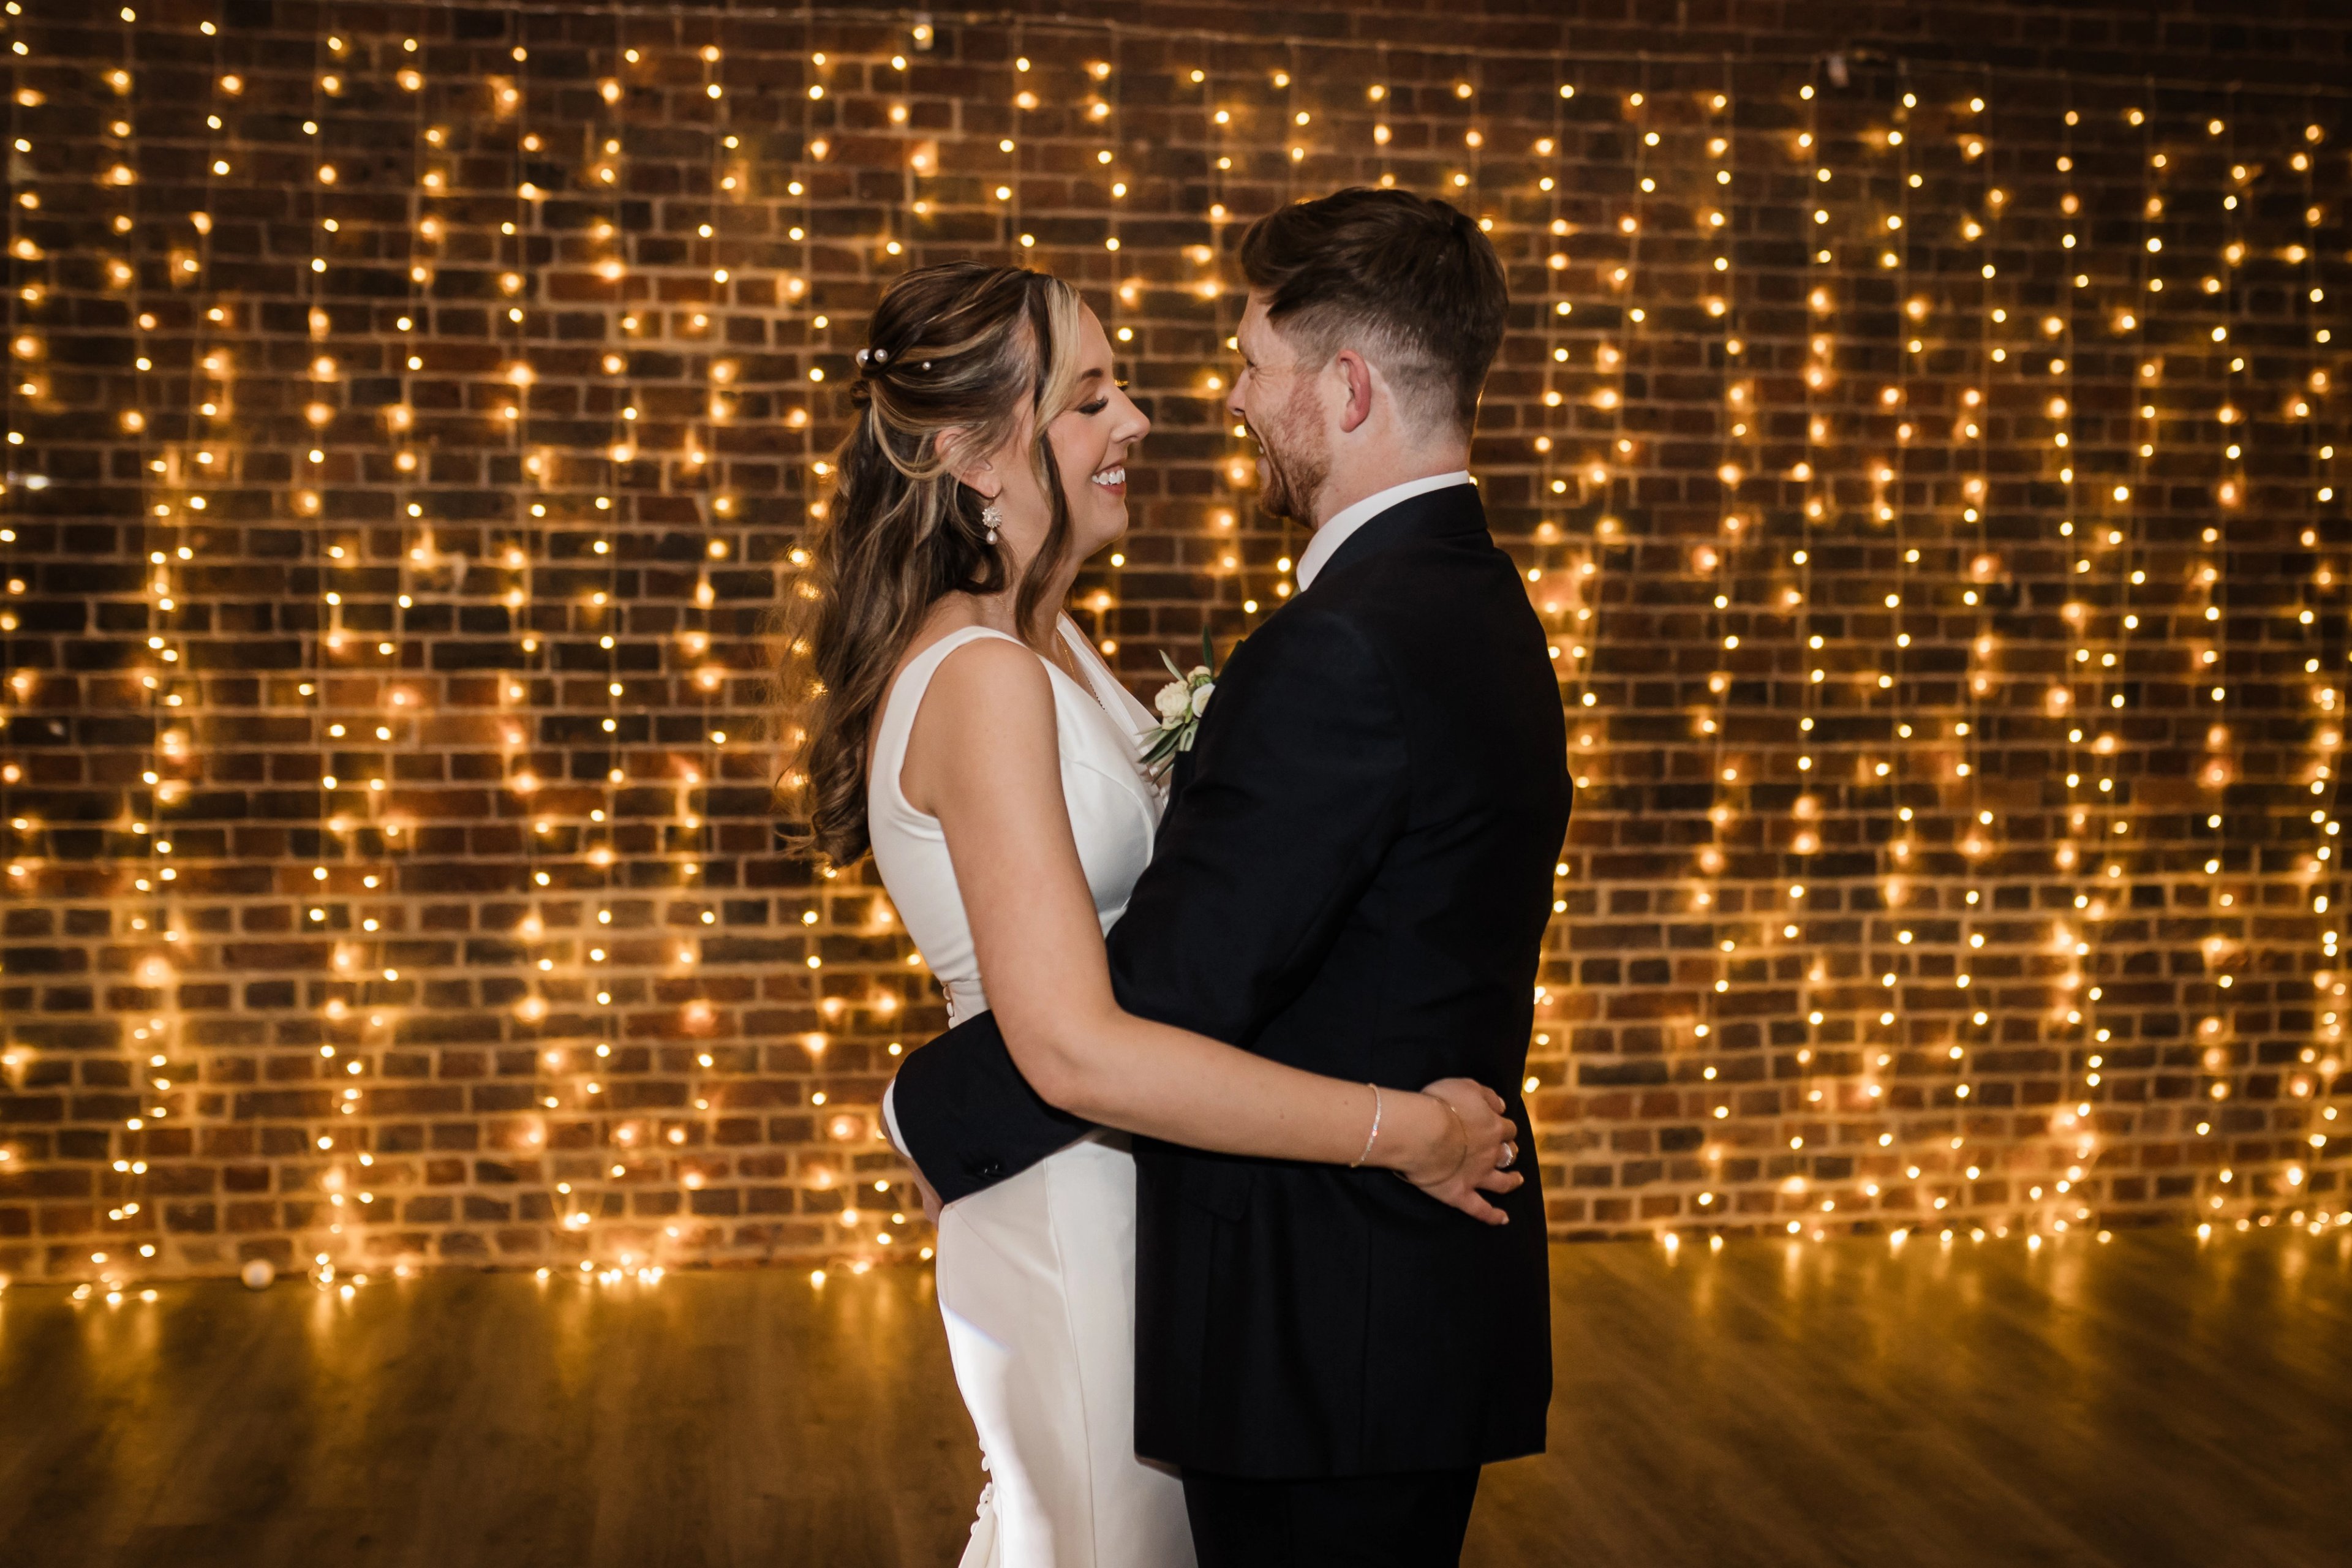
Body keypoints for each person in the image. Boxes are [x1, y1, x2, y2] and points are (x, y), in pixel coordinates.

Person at [777, 255, 1528, 1568]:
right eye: (1088, 399)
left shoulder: (1053, 642)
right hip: (1074, 1214)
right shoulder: (985, 678)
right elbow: (1073, 1045)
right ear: (971, 459)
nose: (1138, 421)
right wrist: (1406, 1130)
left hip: (1140, 1199)